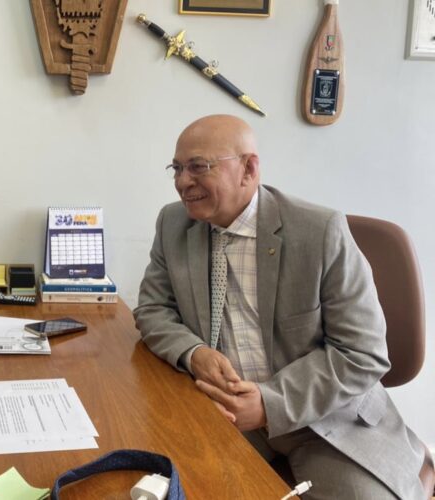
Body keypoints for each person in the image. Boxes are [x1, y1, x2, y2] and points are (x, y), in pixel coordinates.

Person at [134, 114, 429, 499]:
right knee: (161, 485)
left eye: (198, 167)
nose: (182, 182)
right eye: (177, 168)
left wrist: (271, 404)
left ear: (249, 168)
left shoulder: (320, 231)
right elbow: (152, 309)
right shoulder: (173, 224)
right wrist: (194, 353)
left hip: (325, 419)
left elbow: (362, 353)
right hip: (222, 411)